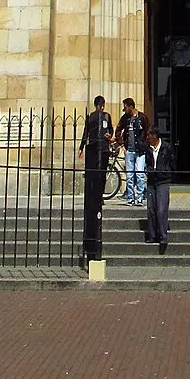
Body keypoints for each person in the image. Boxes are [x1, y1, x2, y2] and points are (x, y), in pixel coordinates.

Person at [79, 95, 113, 263]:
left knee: (102, 173)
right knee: (96, 174)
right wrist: (81, 147)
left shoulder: (107, 117)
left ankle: (98, 195)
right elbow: (86, 132)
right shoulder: (92, 117)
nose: (101, 107)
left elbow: (111, 130)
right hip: (94, 149)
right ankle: (97, 195)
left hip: (103, 148)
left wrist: (109, 135)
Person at [144, 127, 176, 254]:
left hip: (163, 180)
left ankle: (163, 236)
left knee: (161, 209)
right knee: (151, 208)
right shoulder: (148, 149)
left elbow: (173, 162)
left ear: (155, 136)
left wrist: (167, 173)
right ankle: (152, 235)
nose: (147, 138)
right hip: (152, 180)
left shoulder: (166, 147)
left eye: (149, 136)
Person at [116, 98, 150, 207]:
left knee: (139, 174)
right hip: (129, 150)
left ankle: (139, 197)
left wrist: (146, 145)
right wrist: (121, 143)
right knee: (130, 175)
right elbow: (118, 130)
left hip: (140, 151)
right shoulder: (125, 119)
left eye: (125, 107)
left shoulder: (142, 117)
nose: (124, 109)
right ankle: (130, 197)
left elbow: (148, 131)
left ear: (131, 106)